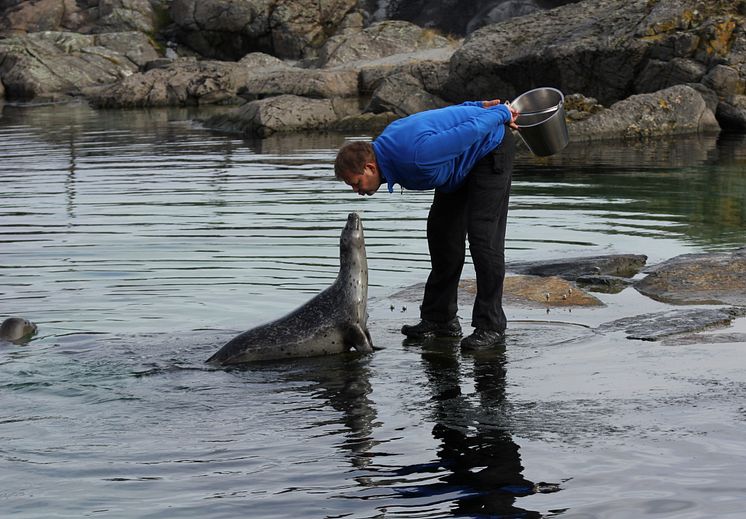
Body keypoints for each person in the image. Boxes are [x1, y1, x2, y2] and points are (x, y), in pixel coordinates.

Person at [334, 99, 518, 349]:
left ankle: (491, 325)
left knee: (483, 239)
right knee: (442, 235)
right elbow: (439, 117)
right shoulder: (388, 150)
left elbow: (471, 131)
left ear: (369, 167)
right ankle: (440, 319)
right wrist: (475, 104)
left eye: (355, 183)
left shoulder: (417, 157)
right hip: (457, 167)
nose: (356, 191)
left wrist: (501, 113)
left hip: (488, 150)